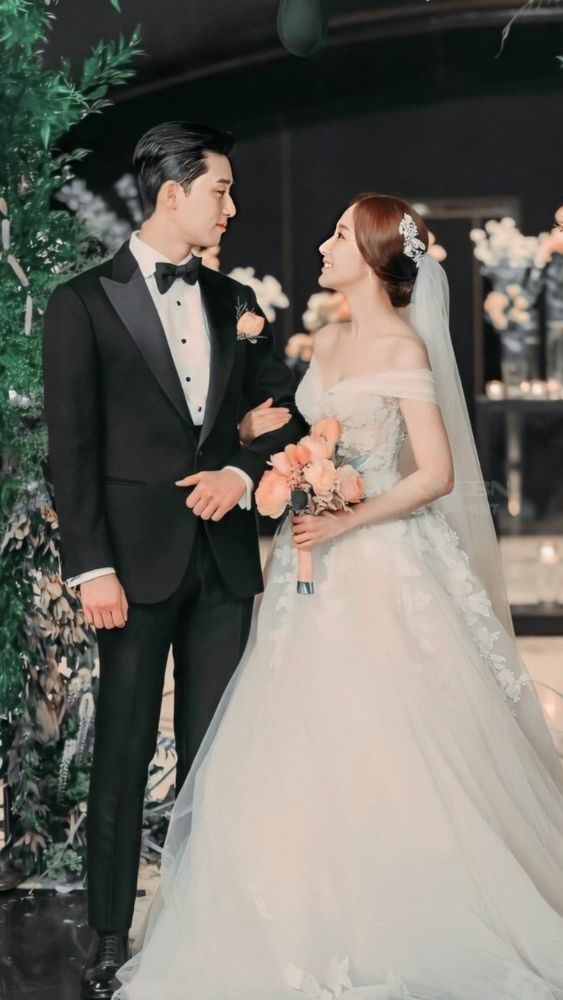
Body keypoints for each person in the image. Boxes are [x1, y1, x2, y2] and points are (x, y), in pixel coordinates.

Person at [115, 194, 563, 1000]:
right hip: (307, 566)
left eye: (338, 236)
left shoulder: (402, 347)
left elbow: (436, 474)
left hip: (380, 562)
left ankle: (403, 910)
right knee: (296, 730)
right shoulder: (325, 339)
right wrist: (274, 453)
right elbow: (306, 434)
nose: (323, 245)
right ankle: (299, 912)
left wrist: (348, 516)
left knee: (389, 731)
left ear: (376, 257)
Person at [42, 120, 307, 1000]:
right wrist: (91, 568)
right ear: (171, 194)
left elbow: (285, 416)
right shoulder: (82, 303)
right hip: (129, 567)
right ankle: (107, 938)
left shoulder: (236, 298)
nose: (231, 206)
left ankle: (207, 926)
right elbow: (72, 451)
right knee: (120, 756)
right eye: (220, 190)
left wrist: (241, 471)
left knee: (217, 757)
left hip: (223, 566)